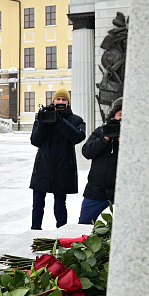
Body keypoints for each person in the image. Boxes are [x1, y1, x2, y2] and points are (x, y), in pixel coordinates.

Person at [29, 89, 86, 229]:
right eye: (58, 99)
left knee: (60, 204)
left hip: (63, 167)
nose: (60, 102)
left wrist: (60, 121)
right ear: (53, 101)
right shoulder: (42, 117)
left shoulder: (76, 120)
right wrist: (44, 122)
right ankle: (35, 231)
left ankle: (62, 231)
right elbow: (35, 141)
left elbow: (77, 137)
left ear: (68, 103)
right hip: (43, 167)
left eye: (64, 100)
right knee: (37, 204)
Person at [79, 97, 122, 224]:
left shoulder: (136, 135)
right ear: (113, 115)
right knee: (84, 224)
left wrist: (125, 142)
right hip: (96, 191)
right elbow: (87, 152)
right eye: (120, 115)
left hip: (122, 192)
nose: (122, 119)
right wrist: (105, 139)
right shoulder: (101, 131)